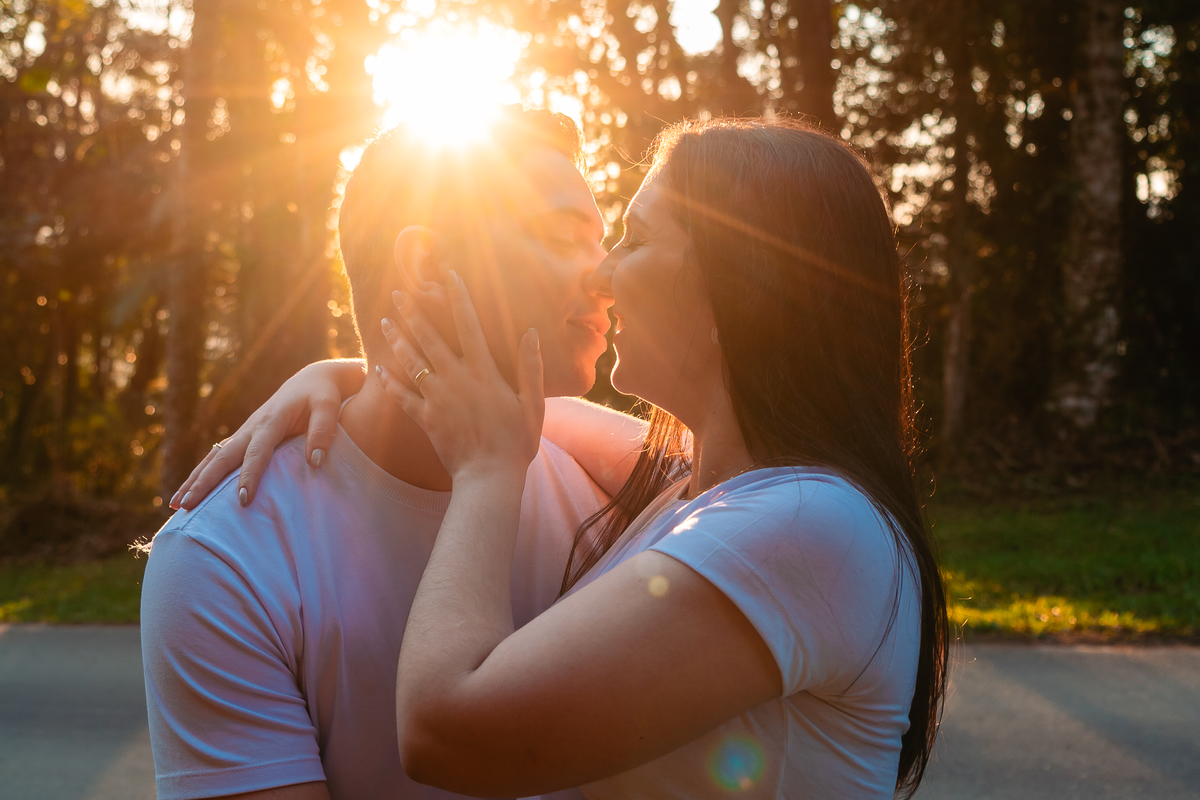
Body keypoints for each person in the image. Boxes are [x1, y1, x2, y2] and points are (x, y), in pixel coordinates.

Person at [188, 118, 949, 799]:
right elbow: (508, 408)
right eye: (577, 240)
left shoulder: (806, 525)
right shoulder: (698, 483)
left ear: (741, 287)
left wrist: (488, 475)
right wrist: (345, 376)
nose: (604, 275)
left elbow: (444, 730)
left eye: (635, 240)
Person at [140, 107, 643, 800]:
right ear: (428, 262)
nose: (606, 277)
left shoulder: (627, 489)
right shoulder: (226, 558)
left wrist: (356, 371)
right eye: (565, 237)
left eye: (605, 242)